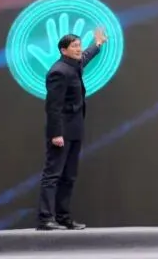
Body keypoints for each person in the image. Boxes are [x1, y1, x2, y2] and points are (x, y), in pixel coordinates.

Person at [37, 28, 108, 231]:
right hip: (62, 133)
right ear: (63, 50)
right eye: (74, 46)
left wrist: (98, 43)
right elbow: (53, 106)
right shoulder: (58, 72)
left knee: (69, 176)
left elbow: (85, 57)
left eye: (79, 45)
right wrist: (56, 134)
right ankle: (45, 219)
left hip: (75, 129)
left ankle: (63, 217)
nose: (79, 49)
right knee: (53, 175)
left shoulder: (73, 65)